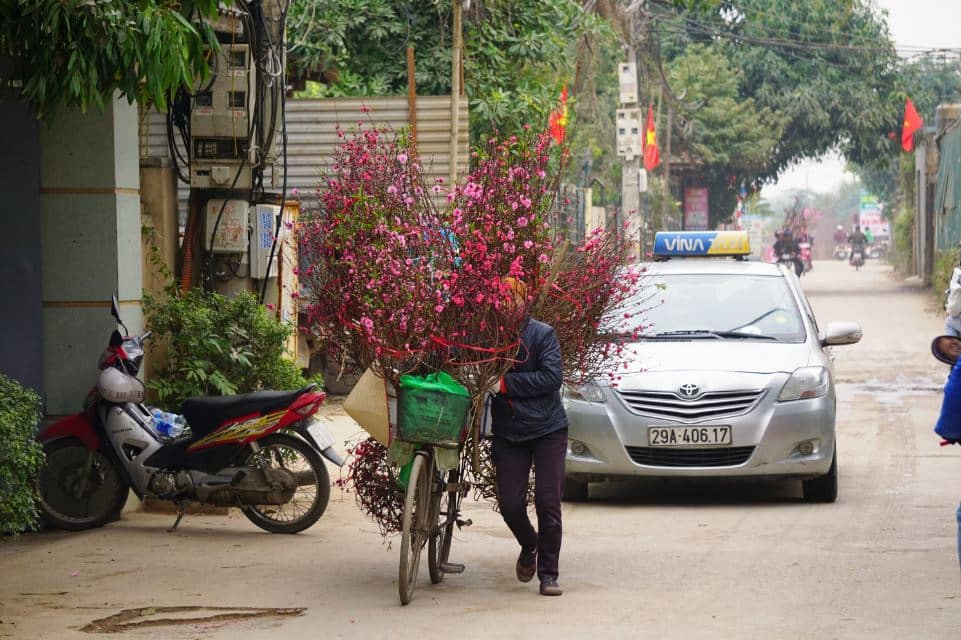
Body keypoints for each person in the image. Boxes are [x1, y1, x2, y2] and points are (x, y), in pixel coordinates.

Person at [490, 278, 569, 597]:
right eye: (501, 300)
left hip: (548, 429)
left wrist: (506, 385)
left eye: (512, 299)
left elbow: (552, 378)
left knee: (548, 504)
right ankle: (529, 543)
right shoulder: (488, 337)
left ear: (523, 303)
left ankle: (549, 574)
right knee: (510, 505)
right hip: (509, 432)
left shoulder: (542, 333)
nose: (506, 305)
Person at [945, 256, 961, 337]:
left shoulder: (958, 273)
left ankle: (955, 348)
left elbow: (954, 309)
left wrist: (949, 309)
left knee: (949, 322)